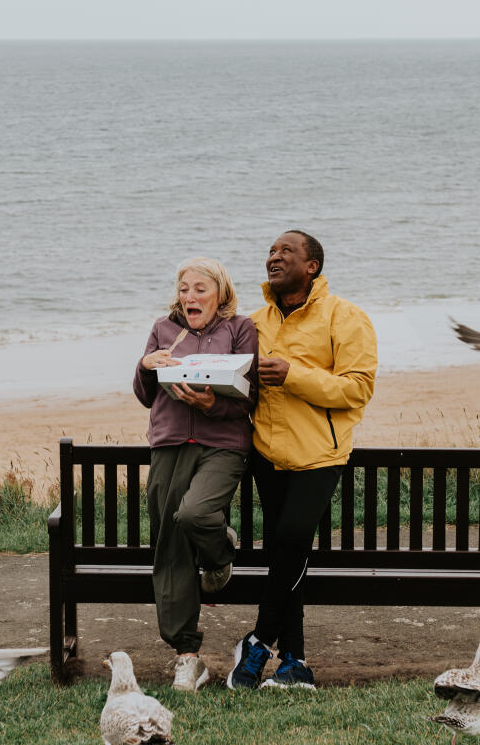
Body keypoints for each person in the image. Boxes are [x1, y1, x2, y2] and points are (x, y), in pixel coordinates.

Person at [228, 230, 377, 690]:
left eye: (285, 252)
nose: (273, 257)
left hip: (319, 456)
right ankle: (295, 661)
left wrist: (294, 375)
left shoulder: (345, 316)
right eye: (270, 252)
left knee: (291, 540)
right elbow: (239, 392)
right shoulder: (251, 323)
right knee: (285, 554)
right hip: (267, 456)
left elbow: (357, 388)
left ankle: (258, 642)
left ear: (311, 266)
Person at [134, 257, 258, 692]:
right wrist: (146, 366)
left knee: (194, 515)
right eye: (184, 288)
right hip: (169, 444)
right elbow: (144, 395)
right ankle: (188, 657)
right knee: (170, 546)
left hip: (223, 446)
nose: (190, 296)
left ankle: (220, 552)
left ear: (220, 292)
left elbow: (249, 397)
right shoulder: (163, 328)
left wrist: (212, 406)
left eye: (200, 288)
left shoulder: (240, 329)